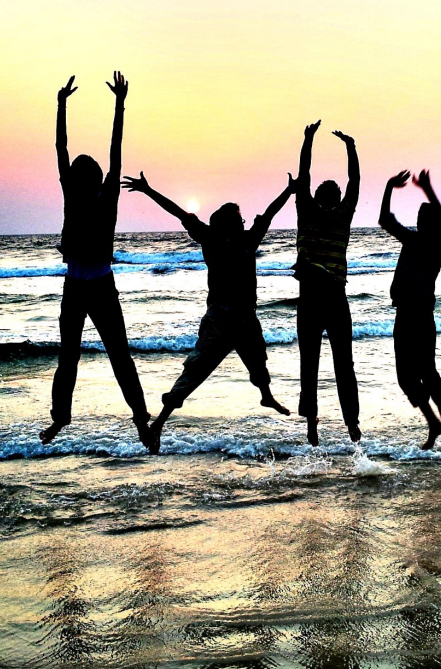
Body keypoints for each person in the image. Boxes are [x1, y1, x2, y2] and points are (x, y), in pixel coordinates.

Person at [122, 170, 295, 453]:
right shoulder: (234, 238)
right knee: (199, 370)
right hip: (224, 319)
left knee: (252, 361)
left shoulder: (221, 238)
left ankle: (266, 396)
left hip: (236, 317)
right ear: (231, 222)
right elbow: (268, 214)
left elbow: (180, 212)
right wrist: (289, 191)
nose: (243, 222)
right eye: (239, 219)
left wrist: (148, 189)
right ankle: (159, 424)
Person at [40, 73, 154, 450]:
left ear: (87, 180)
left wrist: (114, 105)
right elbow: (70, 149)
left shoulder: (101, 198)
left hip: (93, 286)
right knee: (80, 357)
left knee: (104, 357)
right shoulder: (82, 196)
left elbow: (98, 151)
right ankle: (67, 418)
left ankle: (138, 420)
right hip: (82, 287)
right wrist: (68, 105)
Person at [379, 168, 441, 451]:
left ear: (428, 223)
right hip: (405, 314)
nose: (418, 223)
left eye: (422, 220)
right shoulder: (422, 242)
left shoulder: (430, 245)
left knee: (427, 372)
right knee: (407, 377)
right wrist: (422, 187)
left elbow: (387, 219)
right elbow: (385, 220)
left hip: (421, 316)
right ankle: (434, 423)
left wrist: (392, 187)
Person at [293, 120, 361, 447]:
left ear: (317, 197)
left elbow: (303, 175)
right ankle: (352, 425)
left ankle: (312, 426)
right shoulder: (343, 215)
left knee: (310, 364)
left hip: (310, 299)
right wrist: (350, 146)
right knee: (343, 364)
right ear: (337, 197)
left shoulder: (306, 211)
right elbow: (355, 181)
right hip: (335, 298)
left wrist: (308, 139)